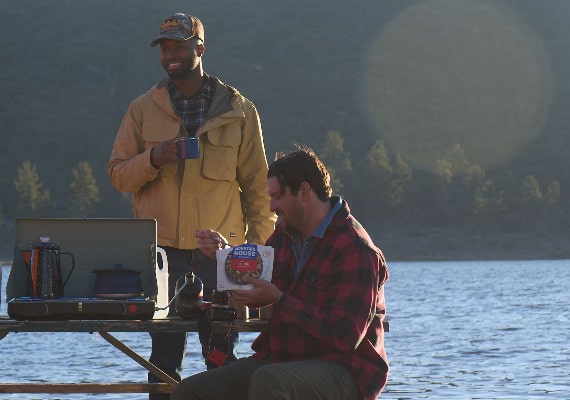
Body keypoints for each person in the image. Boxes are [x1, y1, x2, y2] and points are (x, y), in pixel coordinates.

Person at [107, 12, 276, 398]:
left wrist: (258, 255)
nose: (170, 54)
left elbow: (258, 191)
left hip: (223, 257)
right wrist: (152, 159)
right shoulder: (140, 109)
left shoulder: (241, 111)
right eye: (165, 47)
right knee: (162, 360)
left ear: (200, 48)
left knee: (223, 356)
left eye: (179, 46)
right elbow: (118, 174)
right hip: (160, 255)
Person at [173, 146, 389, 400]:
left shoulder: (356, 249)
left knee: (270, 381)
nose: (272, 206)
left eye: (277, 197)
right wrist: (224, 254)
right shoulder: (285, 235)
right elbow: (260, 282)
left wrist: (279, 299)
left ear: (304, 191)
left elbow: (344, 336)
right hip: (281, 360)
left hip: (345, 371)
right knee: (190, 392)